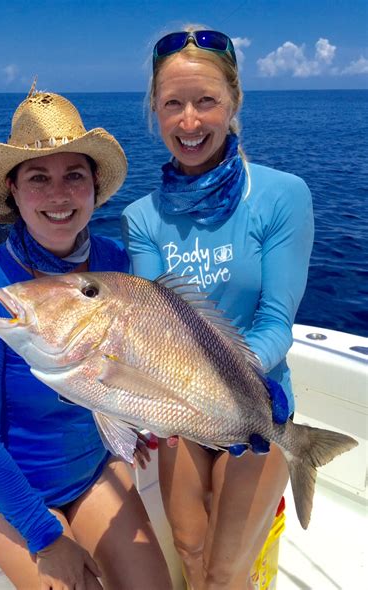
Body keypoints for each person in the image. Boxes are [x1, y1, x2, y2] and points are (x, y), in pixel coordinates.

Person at [0, 86, 172, 590]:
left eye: (74, 176)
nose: (59, 195)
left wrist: (133, 423)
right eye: (38, 178)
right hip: (4, 496)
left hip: (90, 472)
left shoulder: (118, 264)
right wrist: (45, 536)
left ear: (93, 187)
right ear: (13, 192)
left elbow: (133, 359)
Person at [121, 25, 314, 590]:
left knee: (228, 571)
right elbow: (153, 330)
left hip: (257, 405)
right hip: (179, 411)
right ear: (154, 111)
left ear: (233, 102)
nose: (189, 122)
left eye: (206, 101)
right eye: (172, 104)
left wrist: (239, 388)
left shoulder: (281, 196)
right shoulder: (141, 219)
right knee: (189, 546)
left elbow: (277, 322)